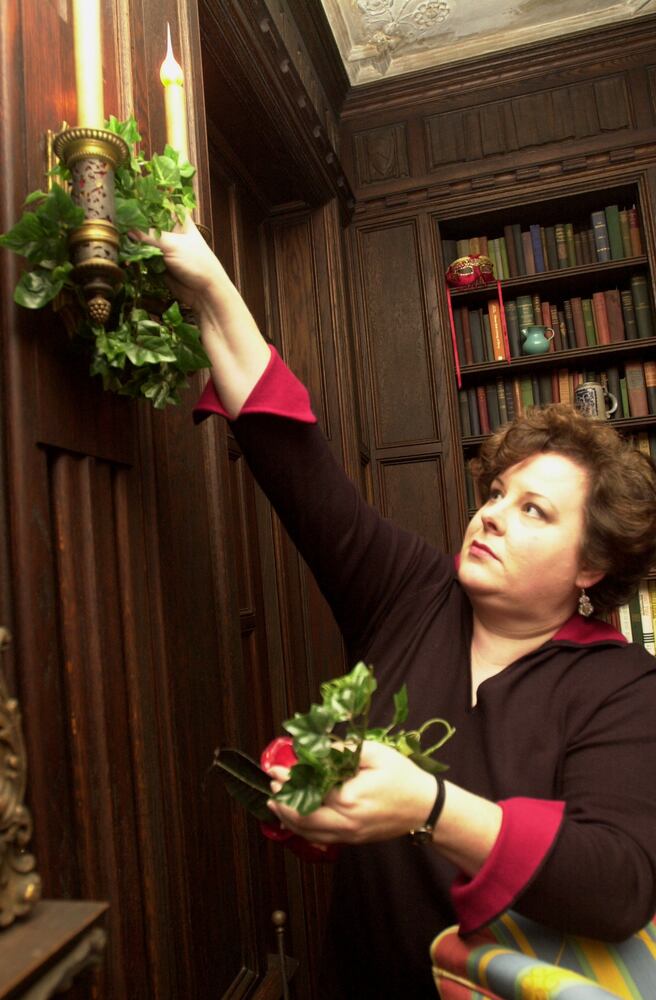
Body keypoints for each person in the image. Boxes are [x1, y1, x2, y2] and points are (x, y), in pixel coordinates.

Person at [136, 216, 656, 999]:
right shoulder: (411, 592)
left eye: (534, 511)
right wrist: (207, 279)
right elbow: (291, 458)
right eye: (496, 494)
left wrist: (430, 805)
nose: (491, 516)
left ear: (593, 563)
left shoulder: (624, 687)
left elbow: (616, 886)